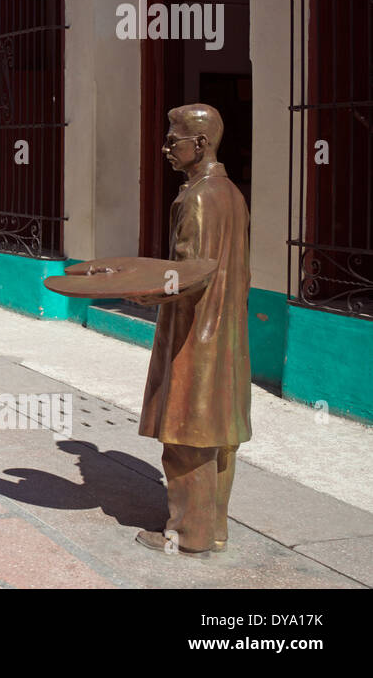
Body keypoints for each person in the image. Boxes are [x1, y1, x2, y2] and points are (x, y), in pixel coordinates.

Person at [130, 103, 251, 558]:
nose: (165, 148)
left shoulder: (197, 197)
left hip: (196, 332)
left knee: (185, 436)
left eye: (172, 139)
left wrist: (142, 293)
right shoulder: (232, 194)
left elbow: (186, 275)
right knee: (219, 436)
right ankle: (214, 528)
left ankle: (187, 533)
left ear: (199, 144)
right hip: (227, 334)